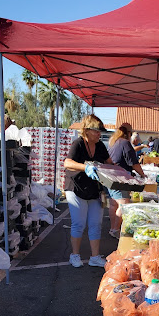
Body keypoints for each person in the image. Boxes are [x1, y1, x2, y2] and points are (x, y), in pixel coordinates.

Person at [64, 114, 112, 268]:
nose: (99, 134)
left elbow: (110, 163)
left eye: (100, 131)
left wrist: (122, 173)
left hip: (94, 190)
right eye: (96, 131)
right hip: (76, 188)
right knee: (78, 224)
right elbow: (67, 162)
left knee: (96, 224)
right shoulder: (78, 144)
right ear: (86, 130)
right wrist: (85, 167)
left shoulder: (100, 146)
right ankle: (75, 255)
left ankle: (95, 257)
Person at [108, 123, 146, 238]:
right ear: (129, 133)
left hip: (110, 176)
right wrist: (143, 175)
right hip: (121, 177)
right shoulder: (125, 143)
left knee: (113, 204)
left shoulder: (113, 141)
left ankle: (112, 228)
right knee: (124, 204)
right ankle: (115, 229)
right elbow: (134, 163)